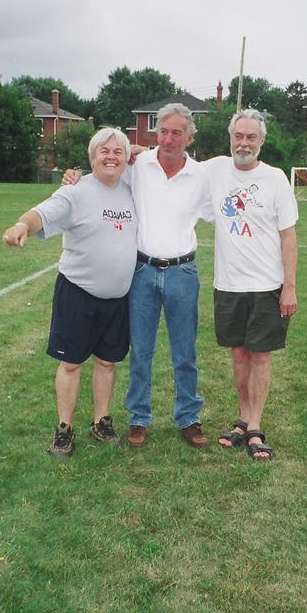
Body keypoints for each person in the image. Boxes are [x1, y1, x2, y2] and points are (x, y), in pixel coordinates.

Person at [63, 104, 212, 448]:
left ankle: (189, 417)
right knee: (141, 350)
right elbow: (105, 173)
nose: (169, 139)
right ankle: (138, 418)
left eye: (177, 132)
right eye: (163, 131)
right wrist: (73, 176)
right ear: (155, 133)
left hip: (182, 271)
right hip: (142, 271)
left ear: (190, 137)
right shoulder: (138, 165)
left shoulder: (201, 175)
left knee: (184, 351)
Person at [2, 128, 137, 457]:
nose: (110, 157)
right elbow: (42, 213)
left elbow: (156, 152)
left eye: (117, 152)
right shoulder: (76, 192)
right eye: (103, 151)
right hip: (77, 292)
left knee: (107, 362)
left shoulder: (133, 189)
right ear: (92, 158)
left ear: (127, 158)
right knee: (72, 363)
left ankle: (101, 421)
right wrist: (22, 225)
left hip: (117, 298)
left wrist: (133, 149)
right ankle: (64, 428)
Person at [204, 109, 298, 460]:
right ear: (230, 138)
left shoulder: (275, 180)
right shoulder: (213, 170)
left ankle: (256, 427)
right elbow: (169, 156)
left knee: (260, 355)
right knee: (239, 354)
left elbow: (288, 237)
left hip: (266, 285)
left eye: (251, 137)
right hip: (228, 284)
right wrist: (132, 150)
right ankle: (242, 419)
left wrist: (289, 287)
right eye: (238, 136)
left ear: (262, 141)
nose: (244, 143)